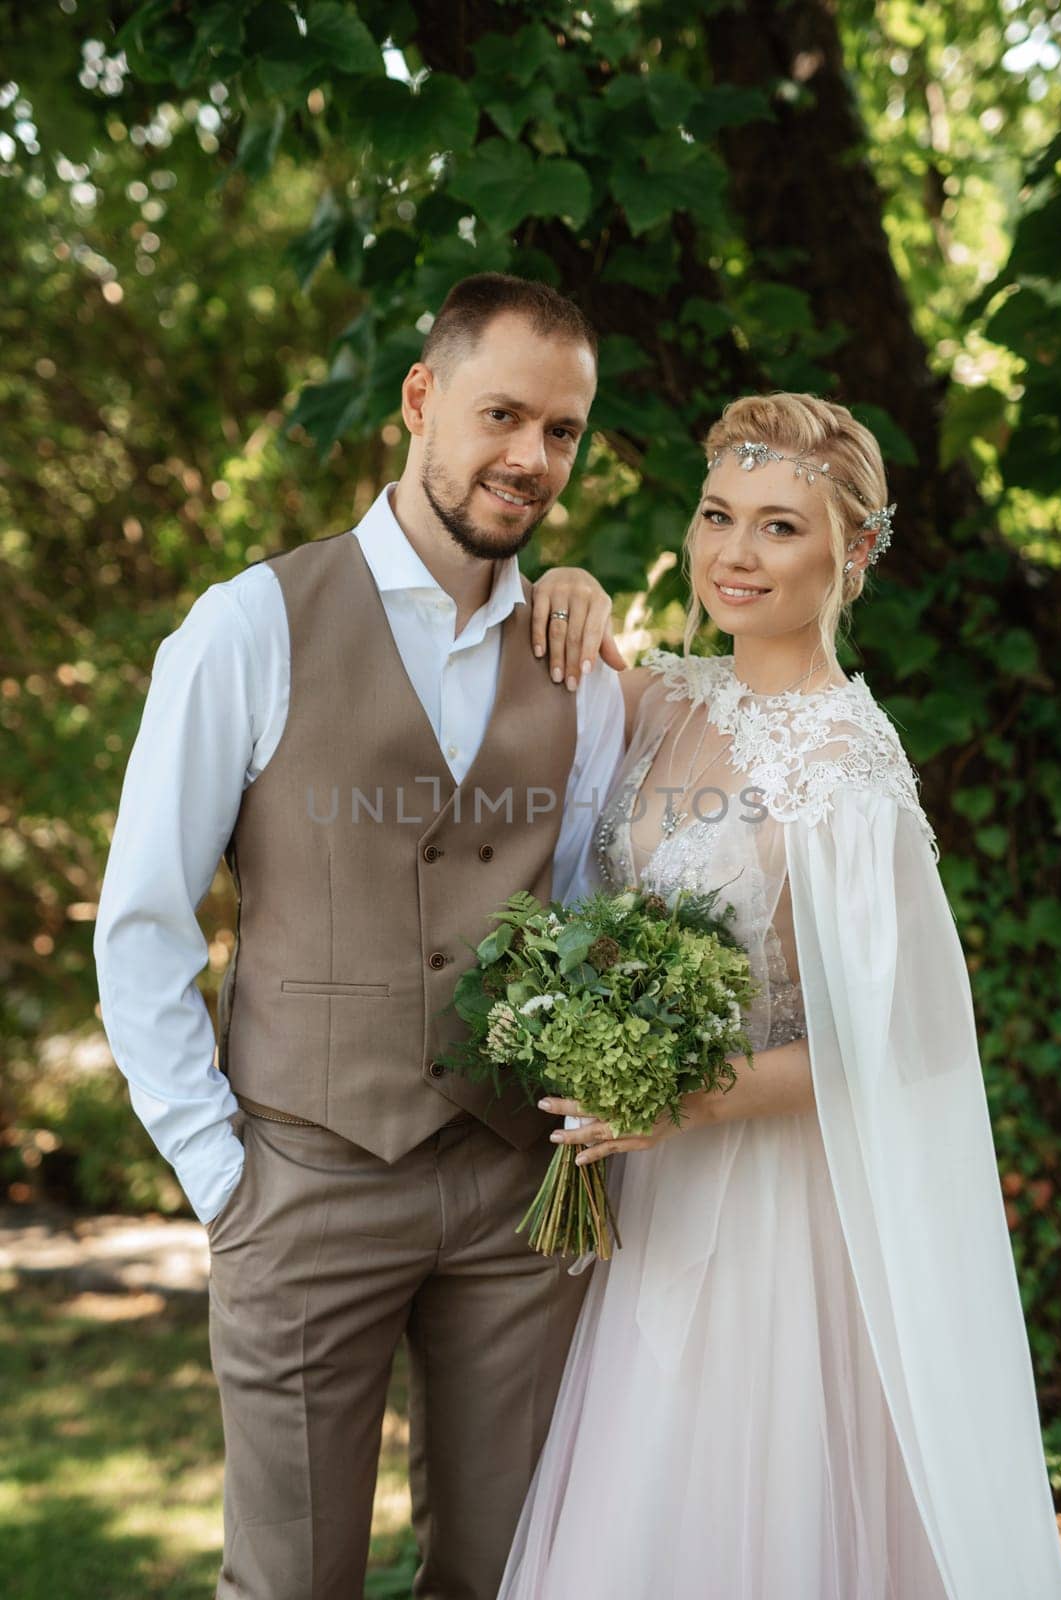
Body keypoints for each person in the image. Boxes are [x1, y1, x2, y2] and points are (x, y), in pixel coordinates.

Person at [93, 272, 627, 1600]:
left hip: (517, 1198)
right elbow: (143, 921)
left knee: (513, 1574)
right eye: (503, 413)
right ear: (421, 400)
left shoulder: (577, 667)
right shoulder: (247, 629)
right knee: (290, 1581)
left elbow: (581, 908)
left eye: (560, 432)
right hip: (304, 1183)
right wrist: (223, 1180)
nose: (529, 458)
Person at [499, 393, 1061, 1599]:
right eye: (716, 517)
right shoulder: (668, 697)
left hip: (766, 1206)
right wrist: (571, 581)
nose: (733, 554)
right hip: (642, 1189)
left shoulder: (848, 773)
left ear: (852, 554)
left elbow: (902, 1045)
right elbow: (569, 667)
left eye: (778, 528)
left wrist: (683, 1096)